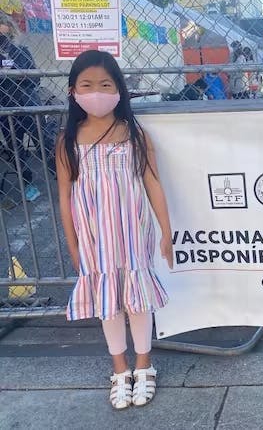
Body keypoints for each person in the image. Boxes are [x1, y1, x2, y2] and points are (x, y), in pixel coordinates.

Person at [56, 50, 173, 410]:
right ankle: (119, 370)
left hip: (132, 234)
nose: (96, 92)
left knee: (137, 299)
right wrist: (73, 244)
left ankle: (144, 364)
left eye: (105, 84)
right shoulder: (68, 141)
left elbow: (152, 182)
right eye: (87, 85)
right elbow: (65, 197)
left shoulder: (134, 134)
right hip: (95, 241)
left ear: (120, 89)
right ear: (73, 90)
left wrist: (166, 231)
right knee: (109, 304)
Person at [0, 12, 52, 201]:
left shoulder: (21, 51)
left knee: (44, 143)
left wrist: (19, 76)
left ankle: (59, 175)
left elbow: (35, 78)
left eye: (5, 36)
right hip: (6, 110)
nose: (2, 41)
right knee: (16, 149)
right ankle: (27, 182)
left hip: (28, 104)